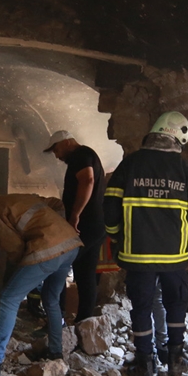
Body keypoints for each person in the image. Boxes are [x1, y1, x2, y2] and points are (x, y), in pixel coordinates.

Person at [103, 111, 188, 376]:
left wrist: (116, 237)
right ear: (176, 138)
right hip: (174, 256)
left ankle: (145, 366)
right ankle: (175, 361)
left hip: (137, 254)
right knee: (176, 305)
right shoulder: (184, 169)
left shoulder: (130, 164)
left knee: (142, 307)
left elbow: (110, 210)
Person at [0, 192, 82, 376]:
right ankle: (55, 352)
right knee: (51, 299)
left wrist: (19, 271)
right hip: (71, 245)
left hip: (48, 248)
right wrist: (60, 226)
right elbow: (56, 202)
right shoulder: (14, 198)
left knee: (8, 299)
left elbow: (14, 246)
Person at [45, 130, 106, 323]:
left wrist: (75, 215)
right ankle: (83, 322)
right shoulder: (88, 155)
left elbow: (87, 180)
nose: (57, 155)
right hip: (96, 225)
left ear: (66, 143)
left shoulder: (80, 155)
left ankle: (57, 319)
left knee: (58, 266)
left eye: (56, 149)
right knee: (85, 274)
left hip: (84, 225)